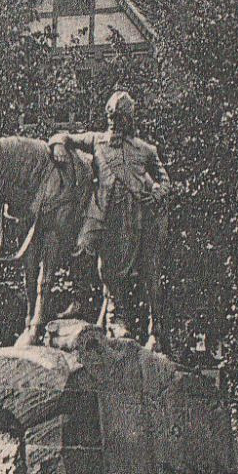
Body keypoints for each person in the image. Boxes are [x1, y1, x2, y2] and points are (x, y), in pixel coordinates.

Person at [48, 90, 171, 341]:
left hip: (130, 213)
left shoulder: (145, 150)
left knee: (116, 268)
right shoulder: (97, 140)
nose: (113, 122)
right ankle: (80, 300)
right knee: (81, 249)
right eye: (111, 116)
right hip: (100, 209)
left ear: (129, 120)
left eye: (118, 118)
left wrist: (158, 193)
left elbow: (165, 180)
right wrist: (58, 144)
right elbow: (64, 135)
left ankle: (118, 316)